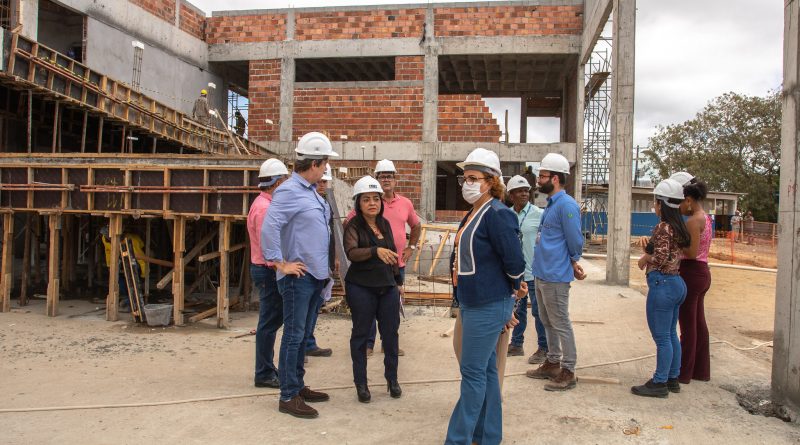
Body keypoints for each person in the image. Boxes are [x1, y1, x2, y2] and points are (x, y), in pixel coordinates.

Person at [445, 148, 527, 445]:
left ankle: (458, 439)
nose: (466, 183)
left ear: (491, 181)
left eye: (473, 178)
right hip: (473, 302)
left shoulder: (498, 214)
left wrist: (510, 295)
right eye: (464, 178)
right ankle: (488, 436)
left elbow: (515, 262)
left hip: (487, 304)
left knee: (473, 374)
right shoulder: (475, 212)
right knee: (487, 373)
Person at [262, 131, 339, 419]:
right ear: (316, 163)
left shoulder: (307, 190)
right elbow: (269, 227)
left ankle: (297, 385)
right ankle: (288, 395)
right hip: (298, 279)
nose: (326, 168)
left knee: (303, 334)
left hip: (314, 276)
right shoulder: (289, 190)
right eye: (325, 162)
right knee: (294, 336)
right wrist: (279, 263)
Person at [346, 159, 421, 357]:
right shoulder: (371, 201)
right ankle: (368, 343)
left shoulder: (405, 203)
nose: (386, 179)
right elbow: (349, 223)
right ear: (376, 179)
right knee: (368, 306)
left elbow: (416, 225)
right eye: (382, 176)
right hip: (369, 266)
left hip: (395, 265)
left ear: (395, 179)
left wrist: (411, 246)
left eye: (389, 176)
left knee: (391, 308)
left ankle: (389, 343)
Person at [526, 152, 586, 392]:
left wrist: (573, 260)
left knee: (560, 321)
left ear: (557, 178)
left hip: (555, 276)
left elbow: (574, 240)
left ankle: (568, 370)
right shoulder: (551, 205)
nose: (539, 180)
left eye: (543, 176)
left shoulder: (567, 206)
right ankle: (552, 362)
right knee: (547, 320)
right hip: (542, 273)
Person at [343, 175, 403, 403]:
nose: (372, 203)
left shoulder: (384, 224)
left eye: (376, 199)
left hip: (387, 286)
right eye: (366, 199)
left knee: (391, 335)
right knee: (360, 335)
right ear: (358, 203)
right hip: (361, 287)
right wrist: (374, 251)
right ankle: (361, 384)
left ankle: (392, 379)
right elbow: (352, 253)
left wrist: (398, 282)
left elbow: (393, 255)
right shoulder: (354, 225)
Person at [632, 179, 689, 397]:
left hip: (662, 284)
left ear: (662, 204)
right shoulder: (678, 226)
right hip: (676, 284)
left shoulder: (663, 227)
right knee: (671, 334)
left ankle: (659, 382)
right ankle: (672, 377)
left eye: (655, 202)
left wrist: (645, 258)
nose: (653, 206)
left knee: (662, 338)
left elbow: (662, 257)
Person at [248, 158, 289, 389]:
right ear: (277, 182)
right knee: (268, 323)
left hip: (265, 269)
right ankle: (263, 372)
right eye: (284, 180)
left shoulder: (262, 203)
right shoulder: (265, 209)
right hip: (267, 270)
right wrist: (283, 266)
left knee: (270, 321)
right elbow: (269, 248)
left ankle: (266, 368)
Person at [671, 171, 712, 384]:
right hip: (703, 272)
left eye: (680, 203)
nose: (679, 207)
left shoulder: (692, 222)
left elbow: (691, 252)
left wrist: (675, 243)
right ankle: (700, 370)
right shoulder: (705, 217)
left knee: (688, 326)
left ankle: (684, 372)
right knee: (698, 323)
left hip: (692, 272)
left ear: (688, 200)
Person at [505, 175, 547, 364]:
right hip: (515, 273)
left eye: (526, 190)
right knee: (518, 310)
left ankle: (543, 348)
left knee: (539, 312)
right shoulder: (506, 215)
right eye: (519, 191)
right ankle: (516, 344)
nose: (524, 193)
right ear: (511, 195)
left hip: (534, 272)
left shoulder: (538, 214)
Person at [305, 164, 334, 358]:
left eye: (325, 182)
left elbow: (329, 236)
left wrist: (334, 260)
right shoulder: (307, 203)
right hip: (308, 266)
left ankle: (308, 343)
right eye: (320, 181)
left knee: (315, 307)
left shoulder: (325, 204)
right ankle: (302, 347)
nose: (322, 185)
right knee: (303, 312)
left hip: (322, 265)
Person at [100, 226, 148, 312]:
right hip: (120, 256)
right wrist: (109, 266)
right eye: (108, 238)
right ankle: (126, 297)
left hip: (133, 257)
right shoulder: (105, 239)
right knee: (118, 278)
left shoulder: (131, 241)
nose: (109, 240)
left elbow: (141, 258)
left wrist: (144, 274)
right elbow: (108, 252)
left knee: (132, 276)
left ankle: (134, 301)